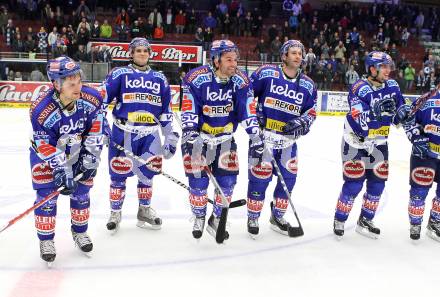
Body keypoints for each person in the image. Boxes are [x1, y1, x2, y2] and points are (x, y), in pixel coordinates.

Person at [180, 39, 263, 241]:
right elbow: (189, 107)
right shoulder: (196, 78)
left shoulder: (241, 81)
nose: (234, 64)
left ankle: (215, 218)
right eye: (228, 59)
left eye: (235, 59)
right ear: (216, 60)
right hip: (199, 139)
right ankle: (199, 216)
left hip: (225, 139)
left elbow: (247, 110)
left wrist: (255, 136)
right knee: (198, 184)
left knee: (227, 182)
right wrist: (190, 132)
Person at [29, 56, 105, 264]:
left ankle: (80, 232)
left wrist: (91, 156)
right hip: (47, 156)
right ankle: (46, 240)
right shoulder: (41, 109)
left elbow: (98, 128)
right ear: (56, 84)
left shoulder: (92, 98)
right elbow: (43, 144)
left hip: (80, 151)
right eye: (71, 83)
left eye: (79, 80)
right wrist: (60, 169)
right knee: (46, 197)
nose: (77, 86)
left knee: (81, 194)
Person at [101, 37, 179, 233]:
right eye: (138, 51)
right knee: (118, 174)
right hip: (123, 133)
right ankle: (115, 212)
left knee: (147, 175)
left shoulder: (160, 78)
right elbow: (101, 103)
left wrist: (170, 136)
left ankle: (144, 210)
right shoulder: (119, 74)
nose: (142, 53)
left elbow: (166, 111)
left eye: (145, 50)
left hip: (150, 135)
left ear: (150, 54)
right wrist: (102, 127)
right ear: (131, 53)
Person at [247, 40, 317, 238]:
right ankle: (253, 216)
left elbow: (311, 111)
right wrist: (255, 115)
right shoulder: (266, 73)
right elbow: (247, 94)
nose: (297, 56)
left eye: (299, 53)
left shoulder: (308, 84)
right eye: (293, 53)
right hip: (263, 140)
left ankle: (277, 216)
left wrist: (304, 122)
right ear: (284, 56)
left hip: (287, 144)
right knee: (259, 180)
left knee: (288, 181)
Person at [333, 51, 405, 239]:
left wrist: (406, 115)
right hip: (356, 142)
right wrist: (376, 112)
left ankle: (365, 219)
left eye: (389, 66)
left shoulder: (393, 87)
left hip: (380, 144)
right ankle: (340, 219)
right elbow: (359, 120)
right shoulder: (359, 88)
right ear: (372, 69)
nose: (388, 70)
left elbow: (399, 116)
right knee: (354, 184)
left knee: (377, 185)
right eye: (384, 67)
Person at [398, 91, 440, 242]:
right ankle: (415, 224)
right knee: (419, 192)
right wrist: (416, 138)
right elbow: (407, 120)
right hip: (424, 153)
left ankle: (435, 222)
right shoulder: (426, 99)